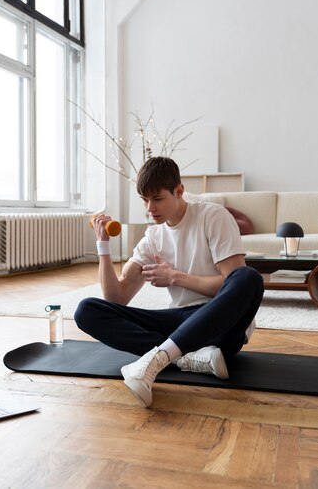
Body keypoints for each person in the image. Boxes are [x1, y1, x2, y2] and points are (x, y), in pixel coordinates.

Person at [74, 156, 264, 407]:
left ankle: (156, 359)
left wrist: (175, 277)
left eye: (157, 199)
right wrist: (103, 246)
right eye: (145, 199)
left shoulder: (212, 216)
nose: (150, 208)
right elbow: (116, 297)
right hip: (180, 324)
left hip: (219, 324)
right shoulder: (152, 236)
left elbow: (233, 284)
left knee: (249, 277)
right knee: (87, 310)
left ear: (179, 191)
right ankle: (184, 357)